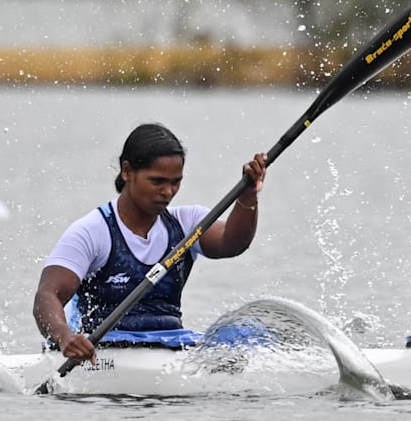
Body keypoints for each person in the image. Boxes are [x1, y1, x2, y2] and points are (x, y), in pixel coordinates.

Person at [33, 122, 267, 363]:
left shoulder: (186, 224)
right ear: (127, 172)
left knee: (246, 332)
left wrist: (248, 195)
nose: (168, 191)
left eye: (175, 182)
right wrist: (64, 337)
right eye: (158, 181)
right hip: (105, 353)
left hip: (171, 347)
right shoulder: (92, 231)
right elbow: (48, 294)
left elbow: (232, 242)